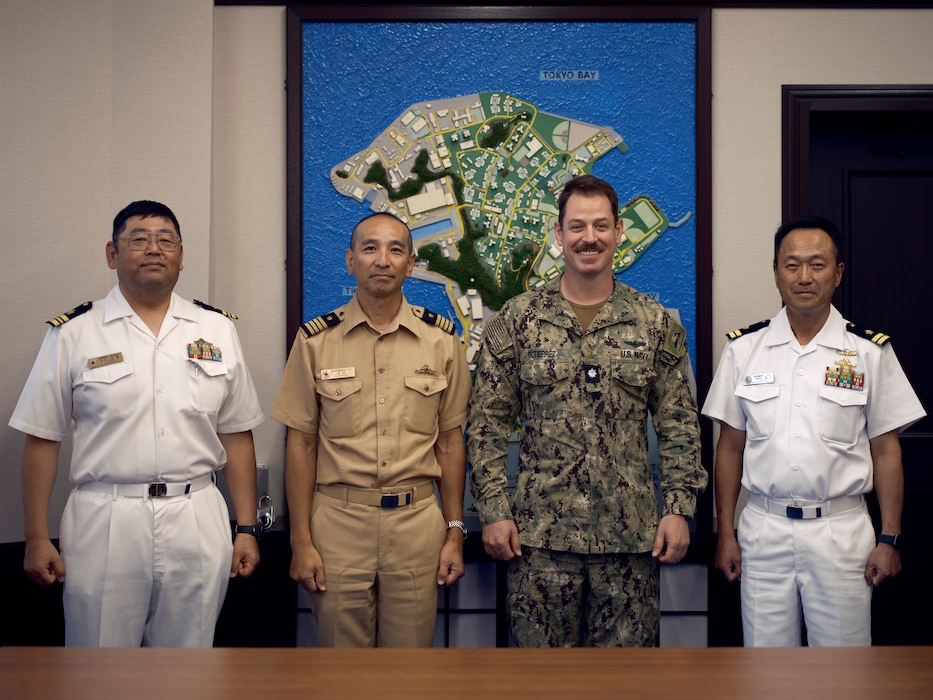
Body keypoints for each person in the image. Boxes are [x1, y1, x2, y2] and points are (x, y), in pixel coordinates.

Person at [10, 200, 265, 647]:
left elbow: (237, 434)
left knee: (189, 667)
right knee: (99, 667)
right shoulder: (74, 333)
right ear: (112, 254)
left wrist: (244, 528)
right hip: (106, 518)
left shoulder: (216, 330)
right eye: (138, 239)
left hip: (197, 514)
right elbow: (42, 440)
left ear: (182, 258)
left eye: (166, 241)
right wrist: (35, 537)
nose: (154, 249)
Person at [466, 174, 706, 647]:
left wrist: (679, 509)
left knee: (623, 688)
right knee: (542, 687)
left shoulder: (654, 323)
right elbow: (486, 424)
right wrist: (493, 509)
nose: (588, 238)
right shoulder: (518, 319)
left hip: (630, 542)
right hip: (538, 544)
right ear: (558, 234)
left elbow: (680, 426)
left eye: (600, 226)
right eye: (576, 226)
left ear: (619, 231)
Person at [702, 215, 926, 647]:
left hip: (841, 533)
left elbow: (886, 451)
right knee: (765, 671)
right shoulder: (744, 349)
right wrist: (726, 534)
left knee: (844, 673)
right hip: (763, 531)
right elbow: (729, 449)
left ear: (838, 273)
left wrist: (890, 538)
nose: (804, 276)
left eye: (817, 264)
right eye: (792, 265)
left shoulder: (868, 352)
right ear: (775, 273)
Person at [270, 212, 471, 647]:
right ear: (350, 261)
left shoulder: (442, 341)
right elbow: (301, 445)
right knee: (343, 673)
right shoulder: (315, 341)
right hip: (338, 525)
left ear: (411, 263)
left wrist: (455, 530)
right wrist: (300, 542)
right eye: (370, 248)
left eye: (396, 249)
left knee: (410, 671)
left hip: (417, 525)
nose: (383, 259)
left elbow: (451, 443)